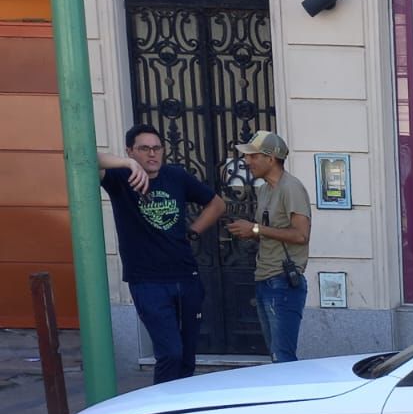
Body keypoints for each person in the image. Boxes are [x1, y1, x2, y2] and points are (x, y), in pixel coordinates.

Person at [97, 124, 226, 384]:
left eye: (156, 148)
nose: (152, 154)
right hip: (148, 282)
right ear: (130, 151)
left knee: (187, 356)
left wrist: (194, 232)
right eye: (144, 149)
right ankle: (160, 410)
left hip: (186, 277)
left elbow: (217, 203)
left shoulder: (176, 176)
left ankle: (180, 410)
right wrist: (127, 165)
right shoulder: (120, 179)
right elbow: (87, 157)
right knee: (170, 353)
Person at [227, 131, 312, 362]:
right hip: (265, 278)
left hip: (283, 282)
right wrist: (249, 232)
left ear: (271, 158)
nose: (247, 162)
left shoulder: (291, 188)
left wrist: (255, 229)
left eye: (253, 156)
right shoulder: (265, 190)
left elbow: (301, 235)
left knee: (282, 356)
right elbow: (269, 232)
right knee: (276, 355)